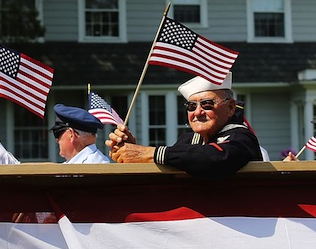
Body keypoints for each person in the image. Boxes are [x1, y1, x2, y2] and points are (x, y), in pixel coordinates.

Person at [107, 72, 262, 178]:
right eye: (191, 106)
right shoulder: (188, 141)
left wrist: (148, 154)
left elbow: (214, 159)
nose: (198, 112)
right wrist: (131, 153)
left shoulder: (242, 138)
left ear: (230, 108)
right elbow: (177, 163)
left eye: (207, 104)